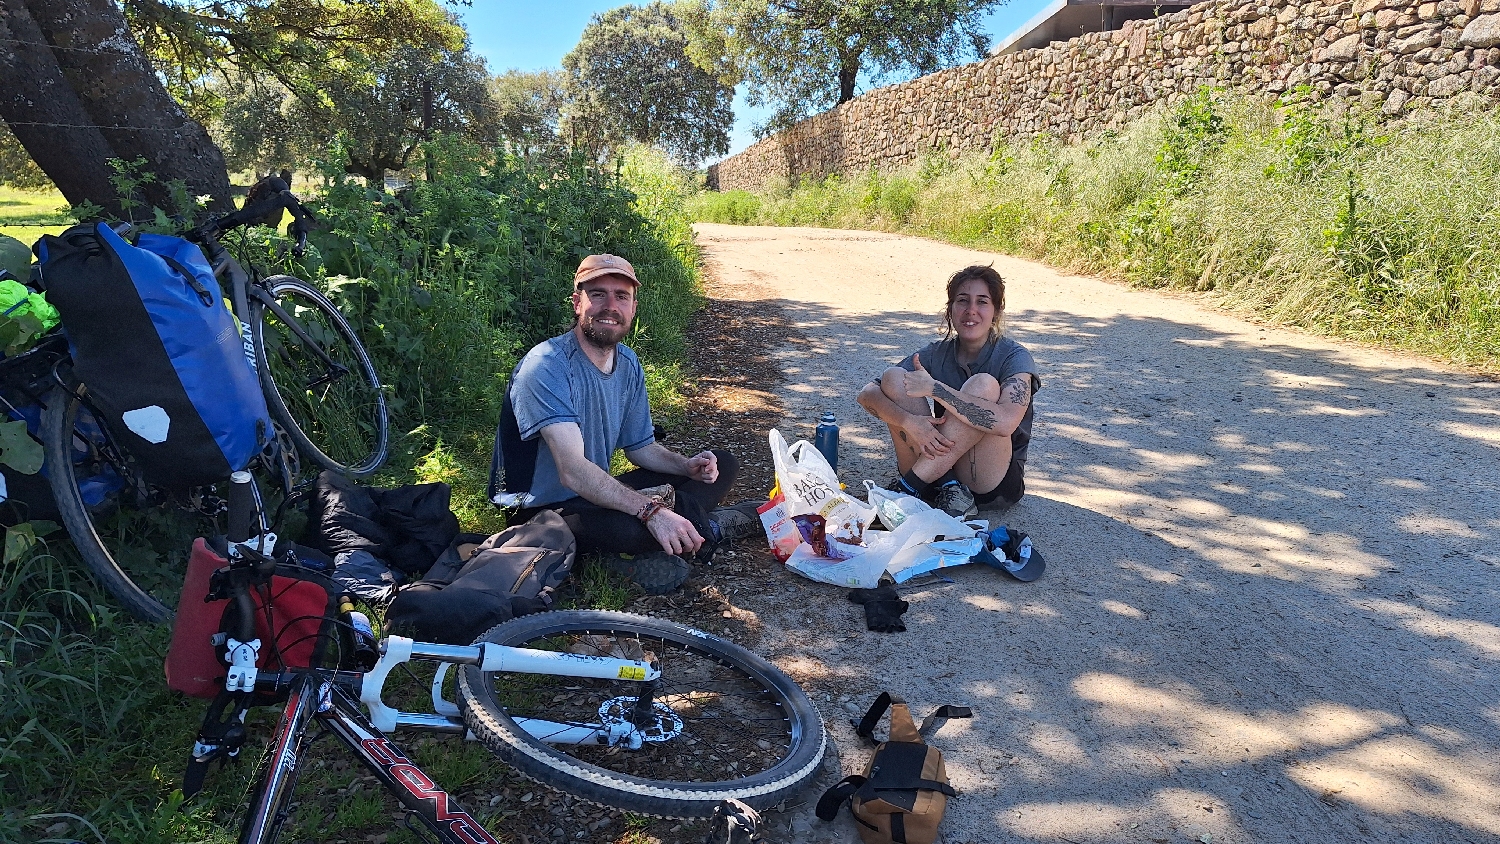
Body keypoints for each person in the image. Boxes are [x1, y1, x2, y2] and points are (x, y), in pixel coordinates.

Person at [490, 254, 756, 594]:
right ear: (577, 302)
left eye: (621, 296)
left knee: (725, 463)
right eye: (598, 294)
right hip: (541, 513)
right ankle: (707, 529)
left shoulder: (627, 363)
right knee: (629, 528)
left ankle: (672, 534)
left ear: (632, 307)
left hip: (591, 493)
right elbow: (572, 471)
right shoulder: (546, 366)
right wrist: (650, 512)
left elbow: (641, 448)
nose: (610, 306)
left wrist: (686, 466)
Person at [856, 264, 1039, 519]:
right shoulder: (937, 353)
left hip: (990, 483)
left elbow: (1006, 423)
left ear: (996, 311)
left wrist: (935, 389)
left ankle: (907, 488)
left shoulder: (1014, 356)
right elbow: (867, 395)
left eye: (982, 302)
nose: (971, 310)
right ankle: (946, 486)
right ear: (950, 309)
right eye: (962, 300)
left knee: (982, 385)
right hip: (939, 474)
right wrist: (911, 422)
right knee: (894, 377)